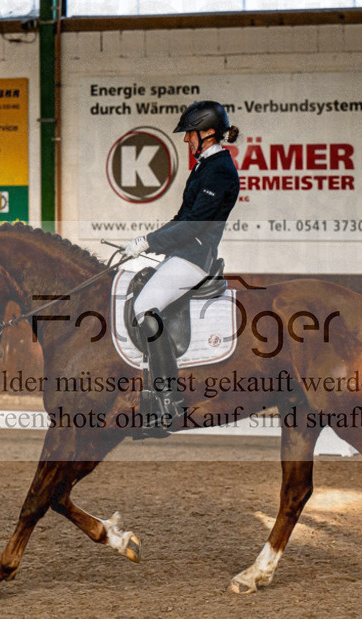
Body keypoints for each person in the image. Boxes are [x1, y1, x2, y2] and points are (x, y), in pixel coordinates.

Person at [121, 100, 240, 428]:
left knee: (144, 307)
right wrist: (154, 243)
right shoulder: (204, 166)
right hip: (183, 252)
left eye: (190, 134)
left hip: (195, 257)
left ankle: (168, 398)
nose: (186, 140)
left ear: (209, 133)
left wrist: (149, 241)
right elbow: (182, 218)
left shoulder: (221, 170)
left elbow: (195, 225)